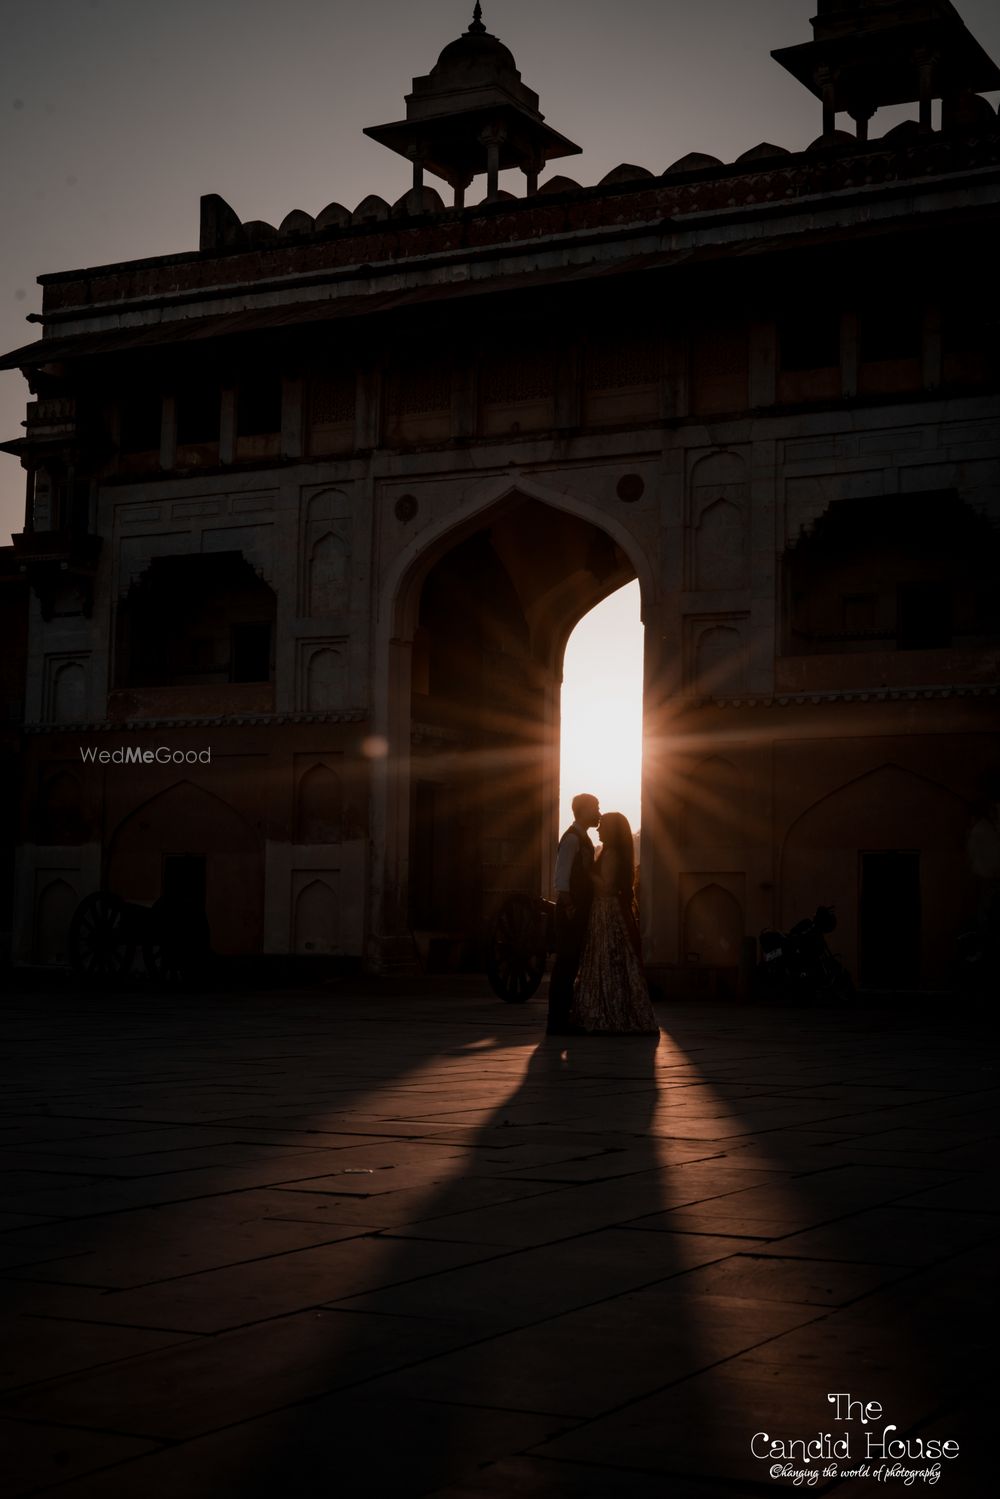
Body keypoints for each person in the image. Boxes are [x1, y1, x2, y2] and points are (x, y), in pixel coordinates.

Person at [570, 810, 658, 1034]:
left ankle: (607, 1012)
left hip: (606, 910)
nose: (599, 829)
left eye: (603, 826)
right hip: (606, 911)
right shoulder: (613, 852)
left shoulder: (611, 855)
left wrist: (587, 870)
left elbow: (606, 887)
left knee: (605, 961)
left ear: (612, 831)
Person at [547, 792, 600, 1035]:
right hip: (571, 910)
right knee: (565, 965)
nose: (598, 812)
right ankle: (557, 1020)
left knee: (571, 964)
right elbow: (562, 879)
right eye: (595, 807)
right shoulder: (572, 840)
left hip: (578, 910)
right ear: (583, 810)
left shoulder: (583, 838)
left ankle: (564, 1016)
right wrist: (569, 907)